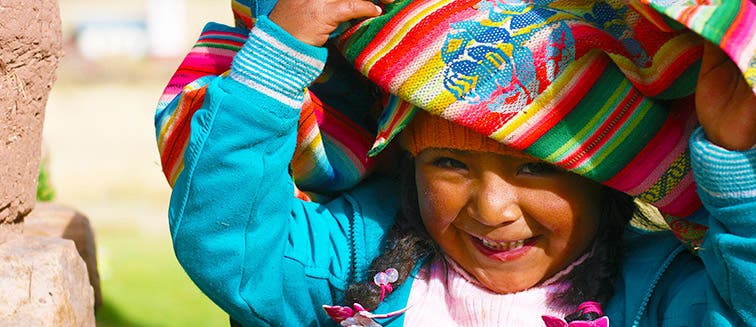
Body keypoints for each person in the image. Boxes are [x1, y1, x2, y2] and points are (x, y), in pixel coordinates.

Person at [155, 0, 756, 325]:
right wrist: (280, 55)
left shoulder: (660, 295)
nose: (491, 209)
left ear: (603, 180)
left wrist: (734, 162)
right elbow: (230, 245)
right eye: (449, 164)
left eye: (535, 168)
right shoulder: (352, 261)